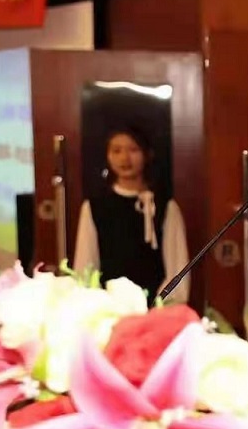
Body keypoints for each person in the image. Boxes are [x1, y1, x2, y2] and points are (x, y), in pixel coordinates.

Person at [73, 127, 190, 303]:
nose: (124, 158)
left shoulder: (165, 207)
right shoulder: (94, 207)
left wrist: (160, 309)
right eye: (116, 151)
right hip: (108, 309)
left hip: (156, 309)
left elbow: (177, 268)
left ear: (147, 154)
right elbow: (85, 266)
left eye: (133, 150)